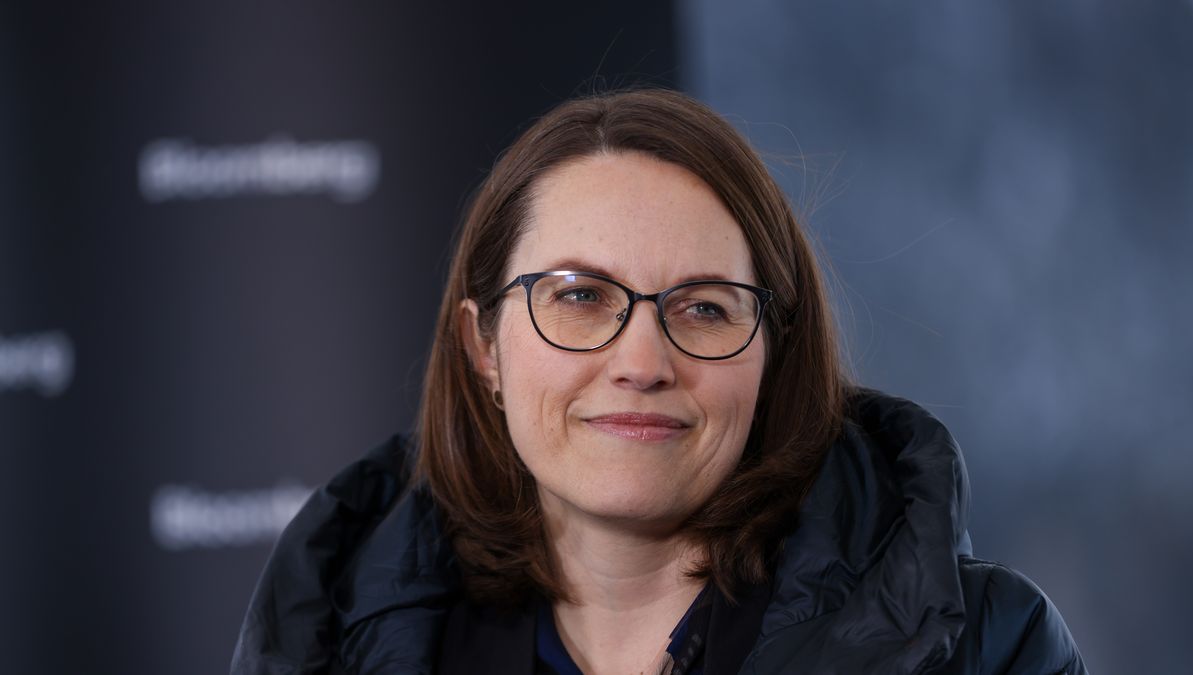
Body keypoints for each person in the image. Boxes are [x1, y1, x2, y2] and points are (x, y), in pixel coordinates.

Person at [231, 88, 1087, 674]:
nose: (642, 363)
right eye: (580, 297)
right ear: (482, 345)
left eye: (705, 308)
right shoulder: (323, 642)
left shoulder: (990, 645)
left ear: (774, 352)